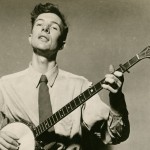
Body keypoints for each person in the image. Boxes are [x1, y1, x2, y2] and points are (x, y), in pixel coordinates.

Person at [0, 2, 130, 150]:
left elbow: (114, 136)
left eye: (54, 27)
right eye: (39, 24)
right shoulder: (4, 86)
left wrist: (117, 100)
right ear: (30, 37)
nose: (45, 28)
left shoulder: (80, 86)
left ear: (62, 44)